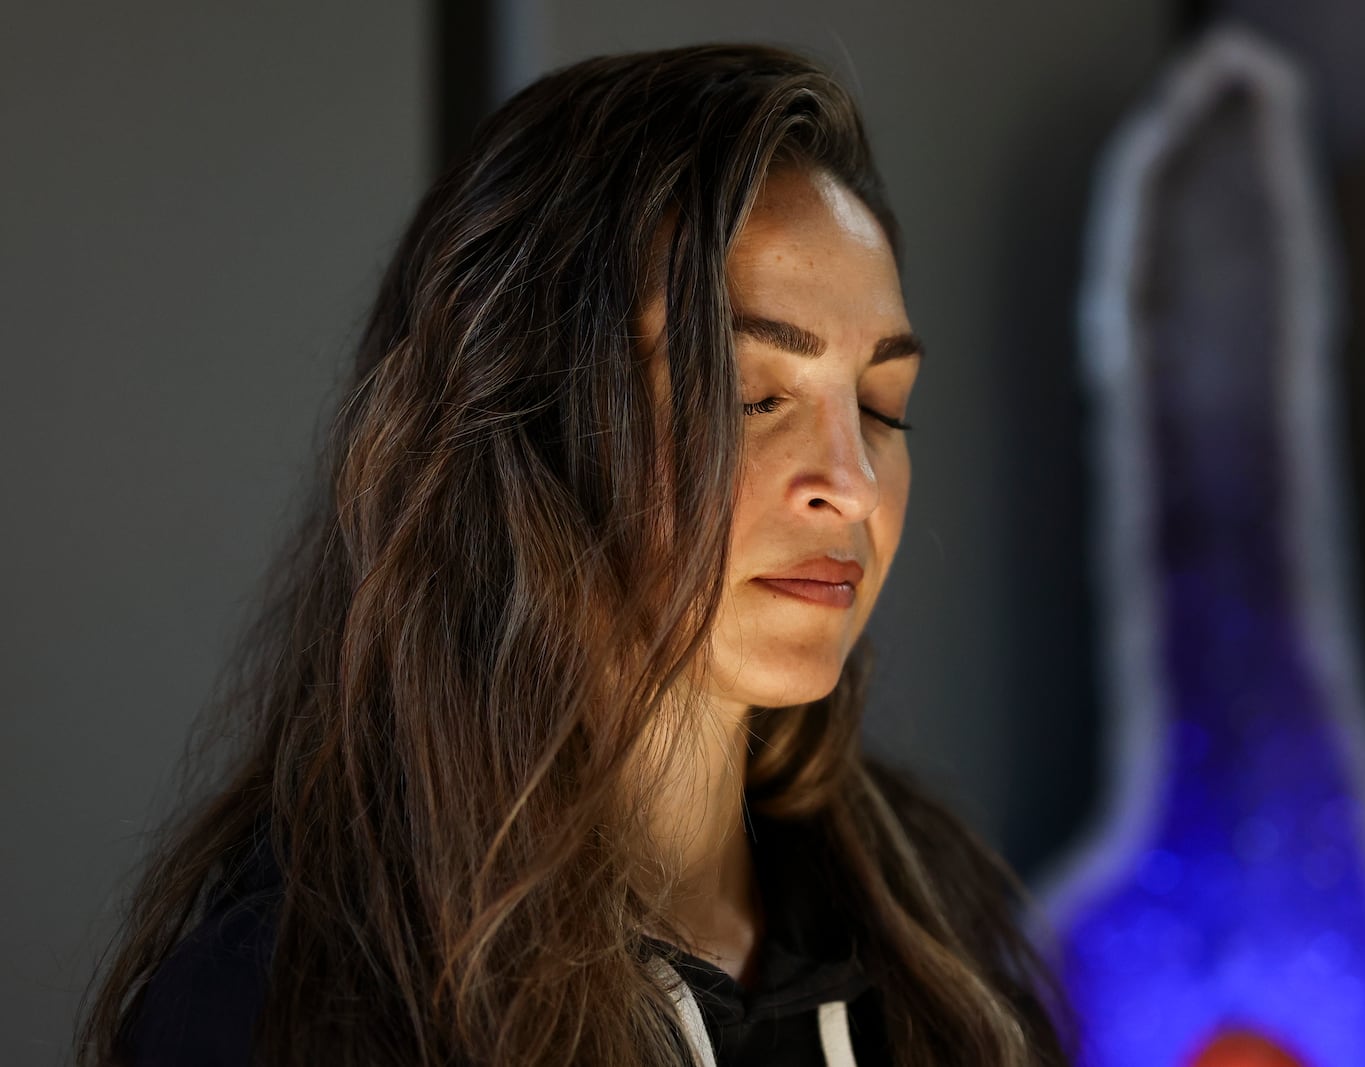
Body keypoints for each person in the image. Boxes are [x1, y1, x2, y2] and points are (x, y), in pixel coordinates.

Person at [77, 43, 1077, 1067]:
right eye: (750, 395)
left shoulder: (941, 925)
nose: (850, 484)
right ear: (526, 425)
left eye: (878, 406)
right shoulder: (292, 998)